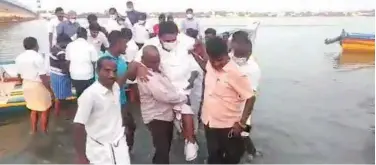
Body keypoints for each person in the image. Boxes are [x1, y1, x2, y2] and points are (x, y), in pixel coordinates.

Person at [135, 21, 199, 161]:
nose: (171, 42)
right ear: (159, 37)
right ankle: (186, 140)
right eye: (167, 40)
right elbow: (136, 62)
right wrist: (139, 66)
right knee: (163, 146)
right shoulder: (150, 47)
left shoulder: (183, 46)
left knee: (186, 114)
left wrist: (192, 78)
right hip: (160, 101)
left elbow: (195, 66)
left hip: (180, 90)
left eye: (173, 39)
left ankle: (190, 141)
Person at [191, 37, 254, 164]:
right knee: (213, 154)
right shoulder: (210, 65)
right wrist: (196, 57)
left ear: (227, 54)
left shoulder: (236, 73)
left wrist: (242, 124)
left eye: (220, 60)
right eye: (213, 60)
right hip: (209, 122)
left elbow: (251, 97)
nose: (216, 64)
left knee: (232, 156)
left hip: (228, 126)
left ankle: (249, 153)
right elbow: (206, 65)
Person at [138, 45, 191, 164]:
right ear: (143, 59)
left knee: (165, 147)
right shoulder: (146, 76)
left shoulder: (158, 68)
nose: (156, 64)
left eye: (157, 60)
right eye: (152, 62)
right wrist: (183, 97)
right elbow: (164, 96)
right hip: (156, 117)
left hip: (165, 115)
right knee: (162, 149)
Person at [73, 56, 131, 164]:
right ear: (97, 71)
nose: (111, 75)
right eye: (107, 71)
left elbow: (116, 106)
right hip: (99, 150)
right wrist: (81, 157)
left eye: (114, 71)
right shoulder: (89, 95)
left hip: (119, 144)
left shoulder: (115, 88)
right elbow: (78, 125)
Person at [99, 30, 137, 152]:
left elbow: (129, 78)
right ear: (119, 43)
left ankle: (125, 154)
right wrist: (127, 72)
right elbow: (111, 88)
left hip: (122, 101)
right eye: (125, 43)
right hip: (110, 104)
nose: (127, 46)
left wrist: (135, 68)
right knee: (119, 133)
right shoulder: (104, 62)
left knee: (131, 128)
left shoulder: (120, 59)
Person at [230, 31, 261, 161]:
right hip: (228, 105)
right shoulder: (229, 57)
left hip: (244, 106)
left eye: (242, 55)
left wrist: (243, 121)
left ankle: (252, 153)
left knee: (244, 133)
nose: (238, 57)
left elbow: (251, 97)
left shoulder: (253, 68)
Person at [15, 37, 53, 134]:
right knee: (45, 110)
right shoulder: (37, 57)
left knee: (33, 109)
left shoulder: (19, 57)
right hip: (37, 85)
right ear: (36, 45)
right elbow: (43, 77)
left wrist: (21, 82)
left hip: (26, 84)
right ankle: (44, 131)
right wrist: (50, 91)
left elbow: (19, 75)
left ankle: (34, 130)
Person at [65, 27, 98, 98]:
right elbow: (94, 62)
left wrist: (70, 74)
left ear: (77, 35)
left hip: (75, 76)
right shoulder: (90, 46)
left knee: (79, 95)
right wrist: (94, 75)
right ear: (86, 35)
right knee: (89, 95)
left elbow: (68, 62)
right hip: (88, 76)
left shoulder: (70, 45)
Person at [49, 33, 73, 116]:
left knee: (58, 96)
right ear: (63, 42)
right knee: (62, 98)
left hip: (53, 74)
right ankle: (65, 114)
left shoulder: (53, 48)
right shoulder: (61, 53)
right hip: (60, 76)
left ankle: (57, 113)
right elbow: (65, 68)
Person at [120, 28, 139, 103]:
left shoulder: (128, 46)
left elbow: (127, 60)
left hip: (128, 66)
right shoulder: (133, 44)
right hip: (132, 66)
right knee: (132, 87)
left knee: (129, 86)